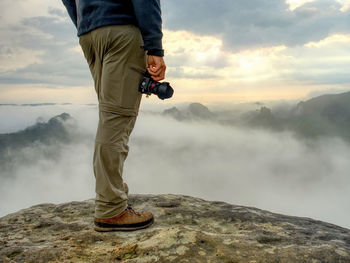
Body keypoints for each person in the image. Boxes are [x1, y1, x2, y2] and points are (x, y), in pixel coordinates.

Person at [62, 0, 166, 232]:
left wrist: (85, 24)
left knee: (109, 113)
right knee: (116, 118)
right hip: (120, 29)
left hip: (89, 33)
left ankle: (113, 187)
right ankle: (111, 208)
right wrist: (155, 48)